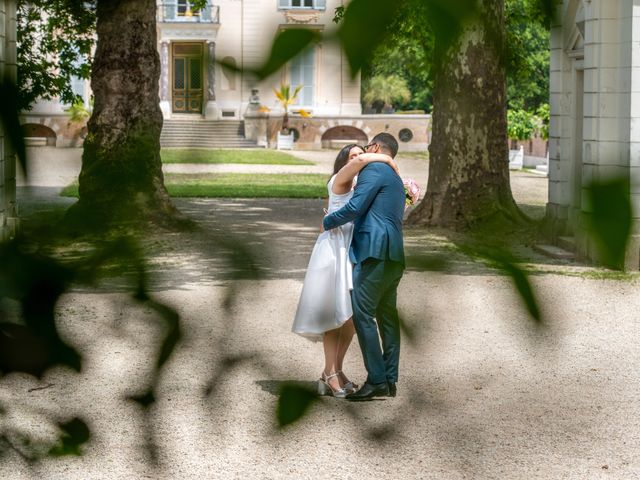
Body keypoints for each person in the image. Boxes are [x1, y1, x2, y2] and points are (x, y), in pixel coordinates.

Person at [292, 143, 399, 398]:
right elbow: (359, 165)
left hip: (354, 247)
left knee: (350, 317)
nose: (359, 158)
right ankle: (330, 373)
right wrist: (389, 161)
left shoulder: (363, 185)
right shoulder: (339, 179)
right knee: (333, 315)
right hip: (335, 248)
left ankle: (334, 371)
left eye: (361, 153)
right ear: (344, 161)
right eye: (353, 155)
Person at [322, 133, 405, 401]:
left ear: (376, 147)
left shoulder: (375, 169)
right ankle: (390, 378)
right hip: (394, 254)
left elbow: (356, 207)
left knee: (362, 314)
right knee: (387, 318)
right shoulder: (394, 176)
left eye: (367, 148)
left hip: (373, 251)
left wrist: (327, 221)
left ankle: (377, 380)